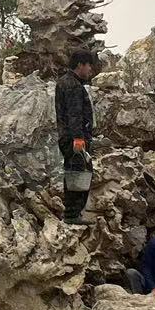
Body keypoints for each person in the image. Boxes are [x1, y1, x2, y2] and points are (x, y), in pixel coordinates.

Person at [54, 49, 97, 223]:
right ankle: (72, 215)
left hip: (67, 137)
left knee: (75, 172)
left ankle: (72, 213)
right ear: (80, 65)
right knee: (80, 174)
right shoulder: (72, 85)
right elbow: (75, 115)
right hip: (74, 139)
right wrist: (79, 140)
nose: (90, 70)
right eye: (89, 66)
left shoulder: (64, 82)